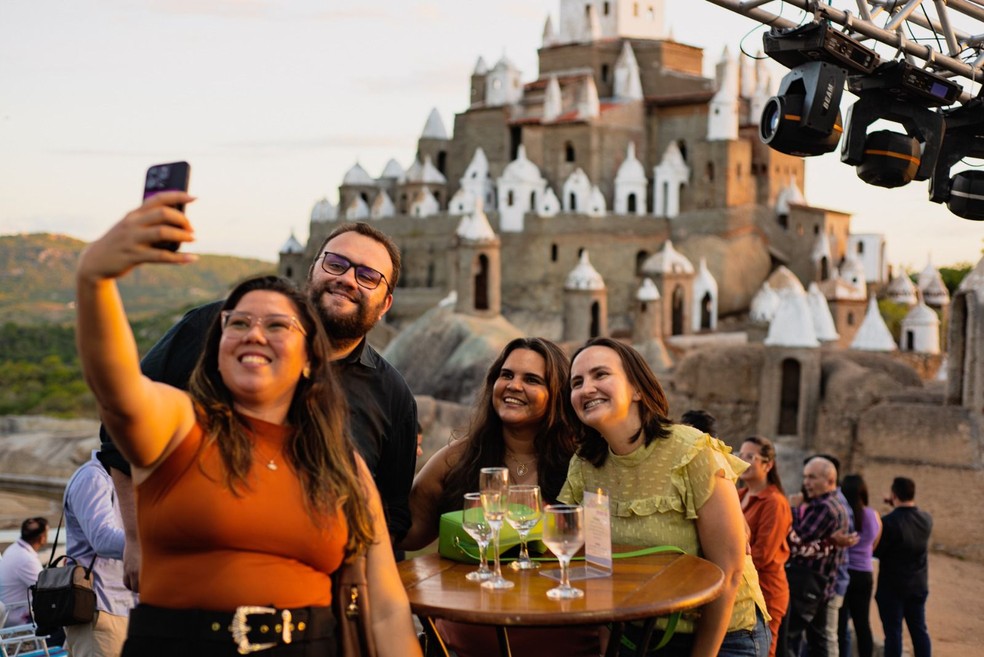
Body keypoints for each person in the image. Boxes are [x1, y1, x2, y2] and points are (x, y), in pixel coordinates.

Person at [76, 192, 420, 656]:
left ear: (307, 358)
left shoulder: (345, 466)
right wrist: (95, 280)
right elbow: (117, 391)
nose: (256, 332)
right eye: (238, 323)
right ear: (215, 343)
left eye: (277, 327)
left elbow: (386, 608)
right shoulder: (180, 430)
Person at [559, 337, 770, 657]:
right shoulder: (585, 466)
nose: (586, 388)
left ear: (637, 390)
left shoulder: (692, 450)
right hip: (636, 634)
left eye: (600, 375)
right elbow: (596, 565)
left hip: (724, 637)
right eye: (577, 382)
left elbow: (729, 573)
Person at [400, 337, 595, 656]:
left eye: (531, 379)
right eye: (506, 375)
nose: (513, 385)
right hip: (462, 647)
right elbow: (406, 531)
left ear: (557, 394)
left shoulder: (582, 463)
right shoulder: (457, 459)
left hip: (563, 645)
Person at [63, 450, 138, 656]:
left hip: (125, 606)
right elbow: (102, 539)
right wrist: (153, 543)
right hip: (101, 610)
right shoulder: (92, 478)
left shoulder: (130, 479)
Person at [782, 457, 850, 657]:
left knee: (786, 638)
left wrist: (793, 510)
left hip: (807, 586)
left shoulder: (824, 508)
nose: (806, 483)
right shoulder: (834, 503)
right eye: (805, 477)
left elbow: (796, 542)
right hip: (820, 586)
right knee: (818, 643)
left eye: (812, 477)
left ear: (829, 480)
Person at [737, 436, 792, 657]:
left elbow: (763, 554)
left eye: (750, 456)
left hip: (766, 590)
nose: (743, 461)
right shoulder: (738, 494)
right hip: (740, 586)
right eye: (741, 455)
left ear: (767, 465)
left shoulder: (775, 502)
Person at [874, 477, 932, 657]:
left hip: (893, 587)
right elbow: (906, 521)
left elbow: (877, 552)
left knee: (893, 634)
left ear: (894, 494)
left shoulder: (888, 522)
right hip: (918, 585)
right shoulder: (926, 519)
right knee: (919, 631)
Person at [836, 474, 881, 657]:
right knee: (863, 623)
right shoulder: (874, 515)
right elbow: (874, 545)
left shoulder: (842, 514)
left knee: (840, 623)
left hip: (844, 572)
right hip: (865, 573)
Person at [0, 517, 47, 627]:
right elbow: (45, 589)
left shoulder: (14, 549)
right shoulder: (26, 559)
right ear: (42, 538)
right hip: (17, 616)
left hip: (7, 610)